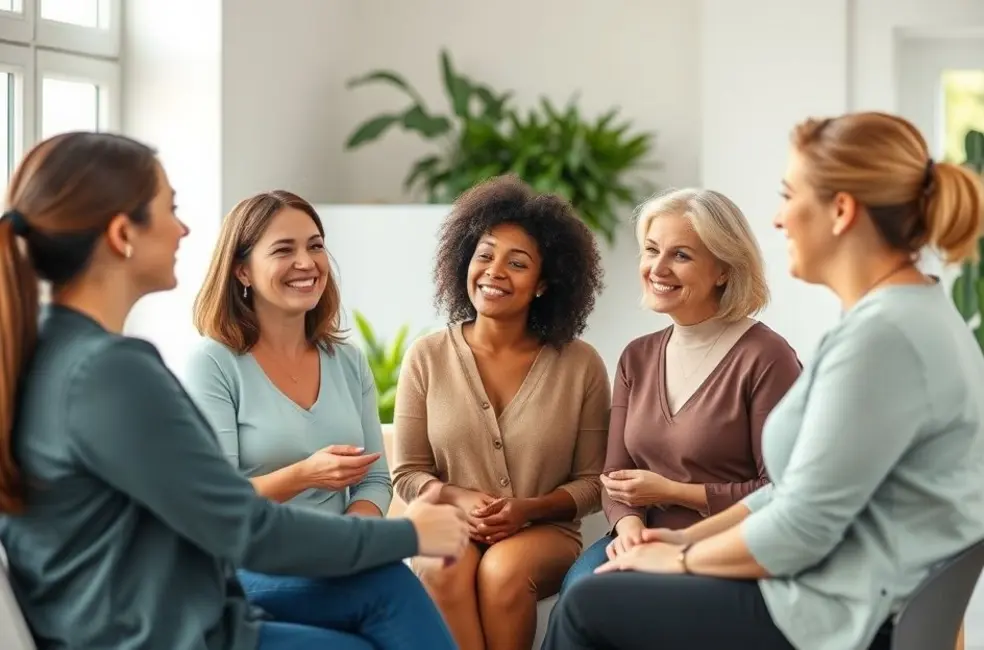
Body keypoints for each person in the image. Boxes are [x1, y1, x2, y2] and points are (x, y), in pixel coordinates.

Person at [0, 132, 468, 650]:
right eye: (170, 209)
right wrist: (411, 533)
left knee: (382, 594)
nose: (183, 228)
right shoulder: (108, 372)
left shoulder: (52, 351)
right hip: (162, 636)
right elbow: (244, 527)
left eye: (315, 246)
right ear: (122, 234)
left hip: (162, 622)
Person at [542, 111, 984, 650]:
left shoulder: (882, 338)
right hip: (842, 593)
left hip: (839, 614)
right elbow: (792, 491)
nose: (778, 220)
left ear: (841, 211)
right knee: (601, 589)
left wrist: (681, 559)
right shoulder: (904, 316)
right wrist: (680, 541)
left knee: (588, 605)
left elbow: (801, 529)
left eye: (788, 196)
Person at [391, 174, 610, 650]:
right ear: (464, 261)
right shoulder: (426, 356)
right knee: (440, 565)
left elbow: (594, 482)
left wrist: (527, 510)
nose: (494, 272)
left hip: (545, 532)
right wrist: (459, 499)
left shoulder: (581, 365)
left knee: (503, 570)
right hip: (450, 522)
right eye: (485, 255)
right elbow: (407, 473)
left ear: (543, 284)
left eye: (517, 263)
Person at [558, 188, 801, 592]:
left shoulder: (767, 357)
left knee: (601, 600)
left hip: (724, 547)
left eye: (681, 255)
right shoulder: (637, 356)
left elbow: (780, 491)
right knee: (581, 590)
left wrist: (675, 493)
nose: (658, 268)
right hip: (641, 536)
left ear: (723, 270)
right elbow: (614, 476)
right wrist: (631, 529)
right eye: (652, 250)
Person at [185, 191, 395, 608]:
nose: (307, 262)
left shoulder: (348, 361)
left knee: (390, 583)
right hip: (250, 566)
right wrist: (304, 475)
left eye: (315, 246)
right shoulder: (213, 363)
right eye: (284, 250)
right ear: (242, 271)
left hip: (334, 561)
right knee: (393, 592)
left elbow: (374, 480)